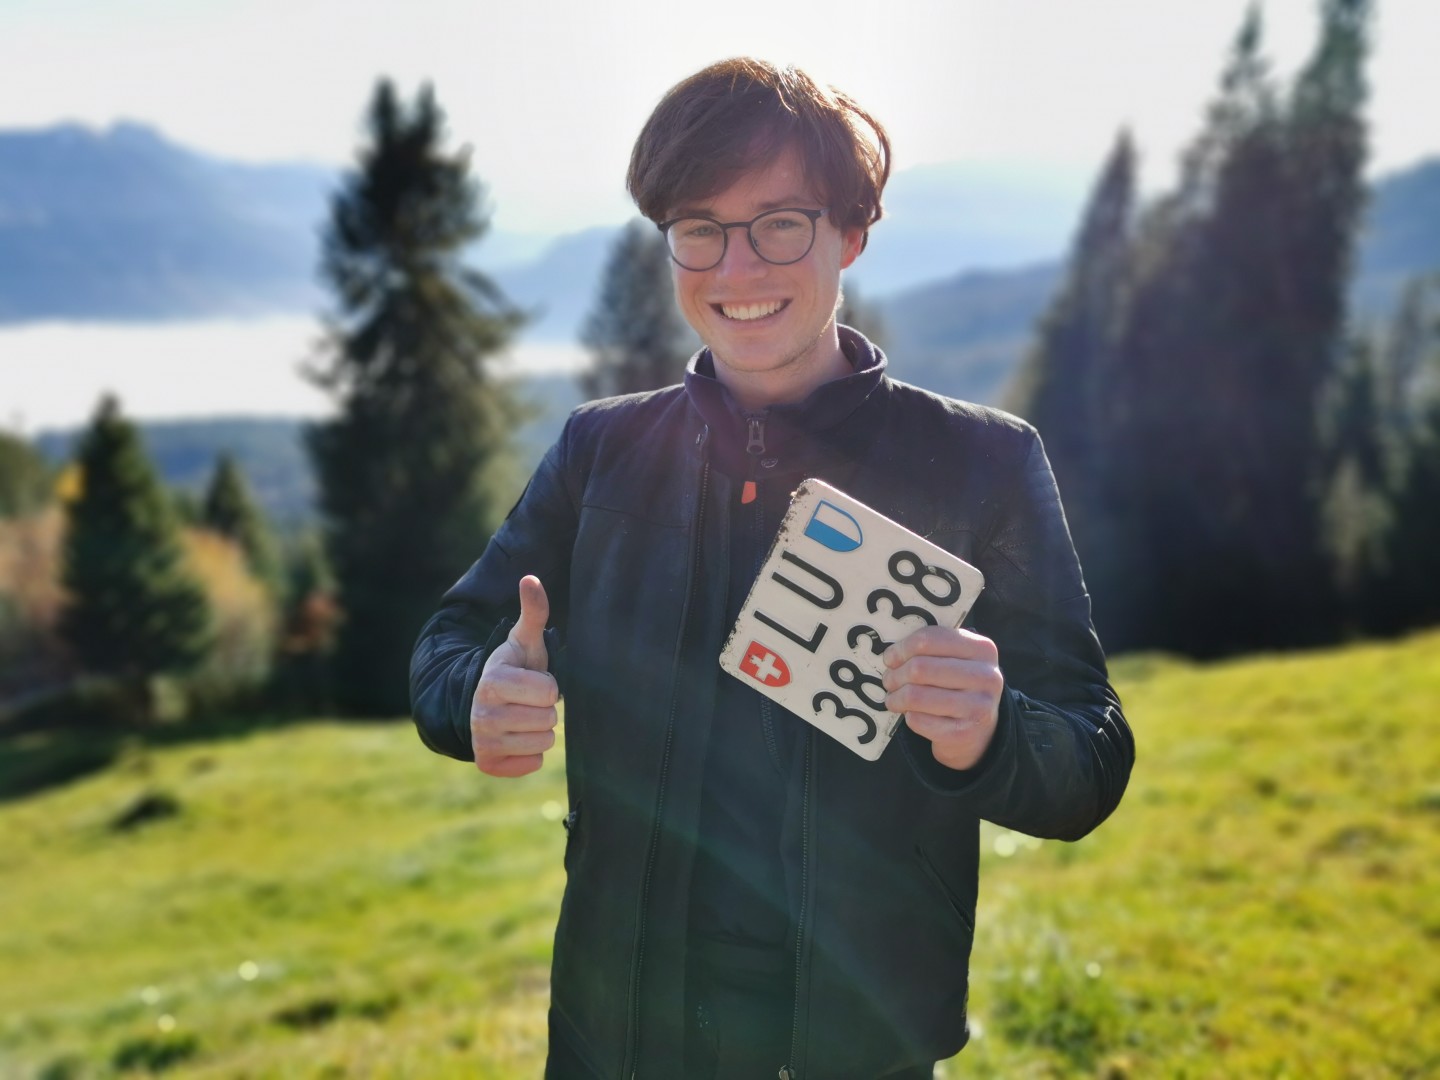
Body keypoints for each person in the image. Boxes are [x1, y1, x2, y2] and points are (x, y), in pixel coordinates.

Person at [411, 57, 1134, 1080]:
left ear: (852, 233)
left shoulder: (982, 462)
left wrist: (989, 734)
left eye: (781, 224)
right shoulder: (600, 451)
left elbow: (1089, 757)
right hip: (620, 1031)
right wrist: (472, 698)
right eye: (700, 228)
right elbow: (448, 643)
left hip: (856, 1040)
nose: (737, 268)